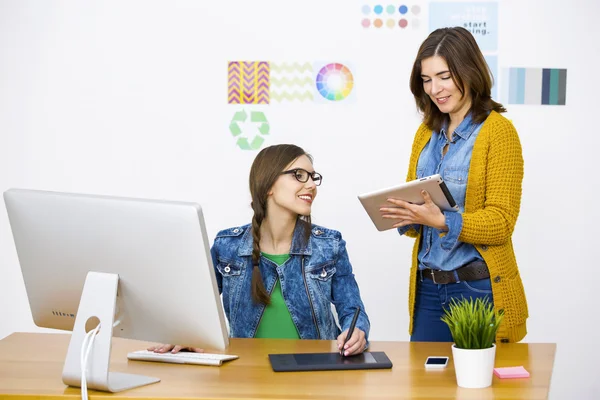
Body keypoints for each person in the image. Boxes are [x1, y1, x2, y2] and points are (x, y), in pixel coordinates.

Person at [380, 27, 528, 343]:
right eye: (426, 79)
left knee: (479, 390)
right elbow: (418, 209)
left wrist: (443, 221)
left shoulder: (498, 133)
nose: (435, 88)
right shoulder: (425, 133)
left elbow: (501, 223)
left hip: (477, 290)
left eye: (444, 76)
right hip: (428, 289)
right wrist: (406, 215)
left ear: (468, 71)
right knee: (425, 389)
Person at [150, 144, 370, 355]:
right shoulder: (227, 246)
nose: (311, 185)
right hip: (246, 374)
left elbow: (352, 309)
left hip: (314, 374)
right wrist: (184, 333)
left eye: (313, 177)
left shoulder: (330, 245)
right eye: (299, 175)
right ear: (268, 185)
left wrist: (357, 331)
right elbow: (196, 305)